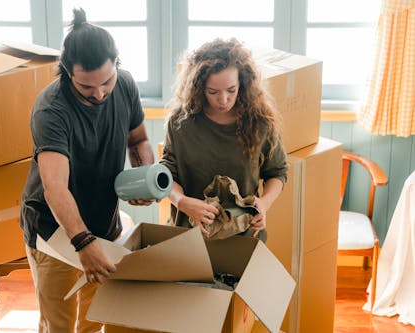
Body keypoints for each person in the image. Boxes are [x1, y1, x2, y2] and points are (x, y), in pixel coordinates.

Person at [20, 7, 155, 333]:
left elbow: (138, 140)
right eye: (87, 87)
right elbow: (55, 188)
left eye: (106, 81)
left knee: (93, 321)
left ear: (116, 66)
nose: (99, 93)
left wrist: (144, 178)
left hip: (102, 223)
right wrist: (83, 243)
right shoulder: (52, 109)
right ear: (67, 72)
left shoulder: (124, 85)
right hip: (55, 229)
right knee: (59, 327)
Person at [160, 38, 288, 240]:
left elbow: (278, 172)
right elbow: (166, 173)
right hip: (189, 237)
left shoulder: (260, 123)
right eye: (213, 92)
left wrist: (263, 205)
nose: (223, 100)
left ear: (243, 84)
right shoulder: (180, 122)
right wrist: (181, 201)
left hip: (244, 237)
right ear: (199, 87)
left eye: (231, 90)